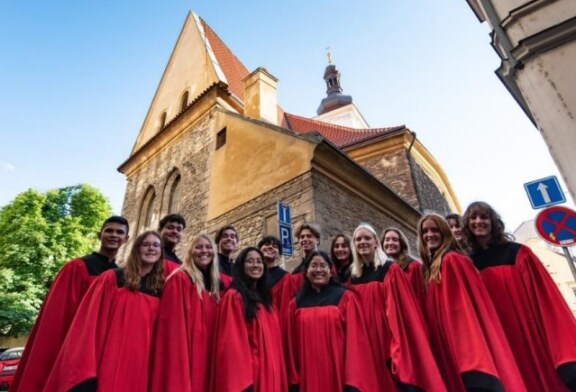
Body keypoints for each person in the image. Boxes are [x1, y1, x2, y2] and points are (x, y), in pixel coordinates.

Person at [463, 201, 576, 390]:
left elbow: (544, 296)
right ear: (467, 224)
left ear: (493, 222)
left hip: (527, 331)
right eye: (473, 218)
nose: (478, 221)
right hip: (497, 336)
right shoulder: (468, 263)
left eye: (484, 217)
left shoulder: (517, 252)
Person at [10, 216, 130, 392]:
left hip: (102, 350)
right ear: (99, 235)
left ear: (126, 239)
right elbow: (58, 316)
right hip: (75, 346)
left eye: (120, 232)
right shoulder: (78, 267)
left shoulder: (121, 276)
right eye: (109, 231)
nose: (114, 235)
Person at [418, 213, 526, 391]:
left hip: (466, 353)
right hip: (452, 348)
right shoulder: (434, 264)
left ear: (444, 232)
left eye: (434, 230)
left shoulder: (451, 260)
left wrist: (473, 362)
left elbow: (464, 313)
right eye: (425, 231)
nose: (429, 234)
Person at [44, 231, 164, 391]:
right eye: (146, 244)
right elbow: (89, 324)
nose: (151, 248)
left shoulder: (158, 290)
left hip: (140, 366)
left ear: (161, 253)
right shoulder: (112, 279)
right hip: (109, 361)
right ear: (136, 249)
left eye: (156, 245)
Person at [350, 223, 445, 391]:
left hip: (387, 340)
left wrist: (397, 346)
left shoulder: (390, 270)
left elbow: (400, 312)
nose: (362, 242)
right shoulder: (354, 275)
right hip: (366, 341)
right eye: (358, 239)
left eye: (367, 238)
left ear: (376, 242)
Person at [284, 250, 378, 391]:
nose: (318, 270)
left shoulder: (345, 298)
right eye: (313, 266)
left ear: (330, 271)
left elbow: (356, 342)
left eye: (323, 266)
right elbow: (290, 346)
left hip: (338, 375)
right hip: (307, 377)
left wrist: (352, 381)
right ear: (306, 271)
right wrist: (294, 381)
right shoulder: (296, 303)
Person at [150, 234, 231, 392]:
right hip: (189, 352)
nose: (204, 251)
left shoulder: (216, 286)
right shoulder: (180, 279)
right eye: (199, 247)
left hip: (210, 352)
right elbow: (172, 329)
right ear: (190, 252)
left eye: (208, 247)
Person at [211, 247, 287, 391]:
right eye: (250, 261)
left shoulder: (268, 303)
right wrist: (244, 384)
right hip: (252, 377)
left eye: (259, 261)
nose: (255, 265)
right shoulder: (235, 297)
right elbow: (232, 344)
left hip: (272, 376)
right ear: (241, 266)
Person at [381, 227, 424, 300]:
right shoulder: (380, 268)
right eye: (387, 240)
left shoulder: (413, 266)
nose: (390, 243)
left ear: (401, 244)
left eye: (395, 240)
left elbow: (419, 296)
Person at [258, 235, 288, 309]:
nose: (270, 247)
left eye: (275, 246)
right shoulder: (252, 274)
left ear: (279, 255)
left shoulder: (285, 278)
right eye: (267, 244)